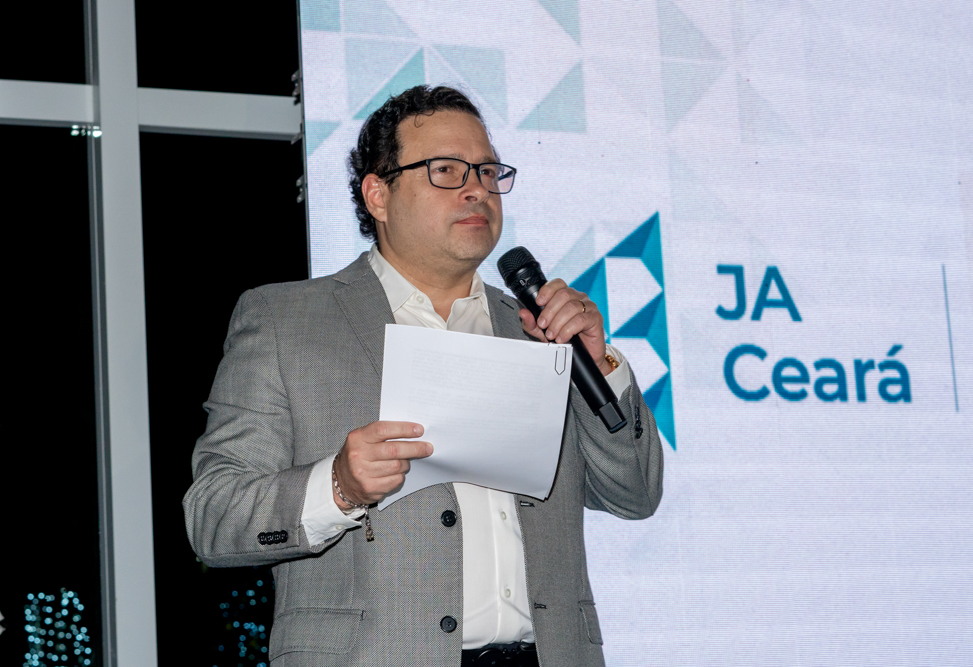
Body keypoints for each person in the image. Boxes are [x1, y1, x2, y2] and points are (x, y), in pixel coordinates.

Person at [184, 85, 663, 667]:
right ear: (378, 195)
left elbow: (635, 495)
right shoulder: (285, 321)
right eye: (445, 170)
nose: (476, 189)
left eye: (487, 171)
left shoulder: (537, 330)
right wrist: (337, 486)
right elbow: (214, 516)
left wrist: (599, 364)